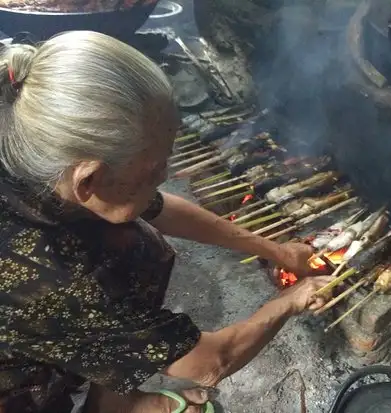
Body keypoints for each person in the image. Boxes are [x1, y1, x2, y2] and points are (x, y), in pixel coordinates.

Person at [0, 31, 334, 413]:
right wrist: (290, 301)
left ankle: (117, 400)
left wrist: (275, 250)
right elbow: (211, 363)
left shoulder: (27, 137)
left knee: (137, 244)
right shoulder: (55, 276)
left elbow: (158, 207)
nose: (165, 174)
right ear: (87, 181)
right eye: (154, 167)